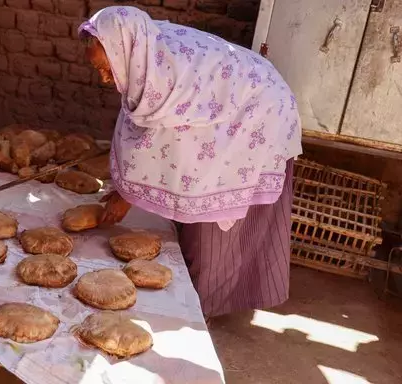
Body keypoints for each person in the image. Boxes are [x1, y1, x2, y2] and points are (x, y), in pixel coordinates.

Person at [79, 6, 302, 320]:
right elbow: (143, 129)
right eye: (99, 70)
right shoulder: (145, 56)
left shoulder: (169, 71)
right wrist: (125, 188)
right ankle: (195, 299)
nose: (104, 79)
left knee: (209, 216)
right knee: (194, 204)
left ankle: (200, 310)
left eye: (106, 68)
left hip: (260, 112)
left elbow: (166, 143)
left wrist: (126, 197)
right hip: (236, 106)